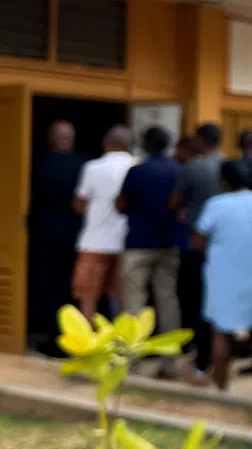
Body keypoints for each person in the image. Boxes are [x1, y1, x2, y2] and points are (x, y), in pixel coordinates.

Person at [195, 160, 252, 396]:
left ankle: (222, 386)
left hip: (223, 275)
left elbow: (199, 239)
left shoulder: (216, 204)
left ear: (223, 181)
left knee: (221, 330)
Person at [116, 126, 181, 378]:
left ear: (144, 144)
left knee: (133, 302)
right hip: (168, 244)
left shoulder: (137, 171)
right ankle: (171, 362)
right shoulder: (177, 170)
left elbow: (121, 204)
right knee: (168, 302)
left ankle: (131, 362)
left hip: (138, 244)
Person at [172, 123, 224, 385]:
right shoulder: (228, 166)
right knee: (216, 302)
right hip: (225, 247)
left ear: (202, 141)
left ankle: (199, 355)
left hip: (195, 244)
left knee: (194, 301)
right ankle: (217, 356)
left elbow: (174, 202)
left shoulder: (193, 168)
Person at [26, 121, 84, 355]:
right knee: (72, 287)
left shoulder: (37, 164)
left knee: (49, 287)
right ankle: (72, 337)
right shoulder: (83, 165)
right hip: (75, 235)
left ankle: (53, 338)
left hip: (45, 234)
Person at [72, 125, 135, 321]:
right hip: (126, 241)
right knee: (120, 295)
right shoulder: (137, 166)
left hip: (94, 241)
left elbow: (79, 204)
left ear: (106, 144)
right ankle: (118, 342)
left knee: (88, 295)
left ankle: (86, 343)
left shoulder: (93, 167)